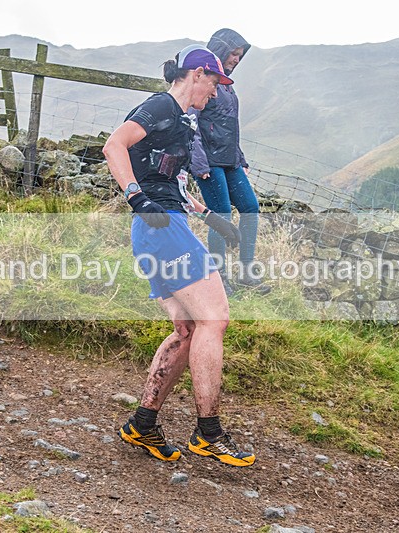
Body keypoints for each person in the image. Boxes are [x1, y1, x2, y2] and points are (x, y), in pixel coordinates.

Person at [102, 44, 255, 467]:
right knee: (214, 319)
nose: (217, 92)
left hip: (163, 227)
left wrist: (210, 217)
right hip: (160, 226)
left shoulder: (184, 122)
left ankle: (143, 424)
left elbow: (170, 183)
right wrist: (137, 199)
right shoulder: (162, 106)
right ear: (197, 74)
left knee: (188, 329)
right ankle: (209, 433)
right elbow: (114, 146)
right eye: (215, 82)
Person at [190, 28, 270, 295]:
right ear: (221, 50)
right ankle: (218, 277)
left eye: (239, 55)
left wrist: (240, 159)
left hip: (230, 160)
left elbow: (229, 127)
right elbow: (191, 123)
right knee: (221, 214)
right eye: (233, 53)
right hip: (209, 161)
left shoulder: (226, 85)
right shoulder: (203, 81)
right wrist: (198, 162)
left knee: (250, 207)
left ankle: (247, 272)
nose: (236, 59)